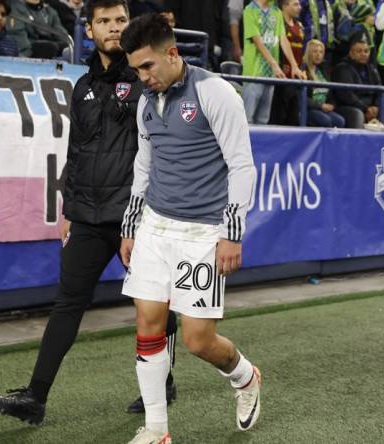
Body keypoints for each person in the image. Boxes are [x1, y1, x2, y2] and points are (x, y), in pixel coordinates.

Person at [0, 0, 179, 425]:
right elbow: (75, 150)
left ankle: (162, 383)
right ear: (88, 30)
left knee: (156, 304)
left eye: (120, 20)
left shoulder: (148, 78)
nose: (113, 28)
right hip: (88, 215)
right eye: (104, 21)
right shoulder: (82, 85)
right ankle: (35, 397)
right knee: (67, 303)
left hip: (137, 216)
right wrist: (68, 208)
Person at [119, 14, 261, 444]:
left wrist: (232, 232)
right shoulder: (147, 101)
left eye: (148, 67)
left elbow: (241, 165)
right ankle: (158, 430)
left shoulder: (215, 92)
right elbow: (143, 166)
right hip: (155, 227)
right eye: (136, 70)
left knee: (199, 341)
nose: (143, 78)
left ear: (173, 53)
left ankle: (245, 376)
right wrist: (130, 225)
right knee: (148, 323)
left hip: (202, 233)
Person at [242, 0, 305, 125]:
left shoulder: (276, 12)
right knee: (247, 119)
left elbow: (283, 40)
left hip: (271, 75)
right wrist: (274, 65)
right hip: (254, 74)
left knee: (263, 120)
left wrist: (294, 65)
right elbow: (257, 41)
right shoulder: (250, 10)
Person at [332, 35, 384, 128]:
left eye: (366, 51)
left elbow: (379, 91)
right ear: (351, 53)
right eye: (359, 51)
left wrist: (376, 107)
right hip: (348, 107)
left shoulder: (372, 69)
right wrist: (365, 109)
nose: (363, 54)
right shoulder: (342, 68)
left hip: (370, 107)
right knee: (358, 114)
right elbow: (346, 95)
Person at [302, 39, 346, 127]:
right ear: (308, 53)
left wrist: (331, 105)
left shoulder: (323, 70)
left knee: (340, 121)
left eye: (321, 52)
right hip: (309, 108)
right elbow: (301, 97)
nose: (318, 55)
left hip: (323, 108)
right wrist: (320, 106)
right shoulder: (302, 70)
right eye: (315, 51)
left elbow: (331, 91)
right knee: (325, 121)